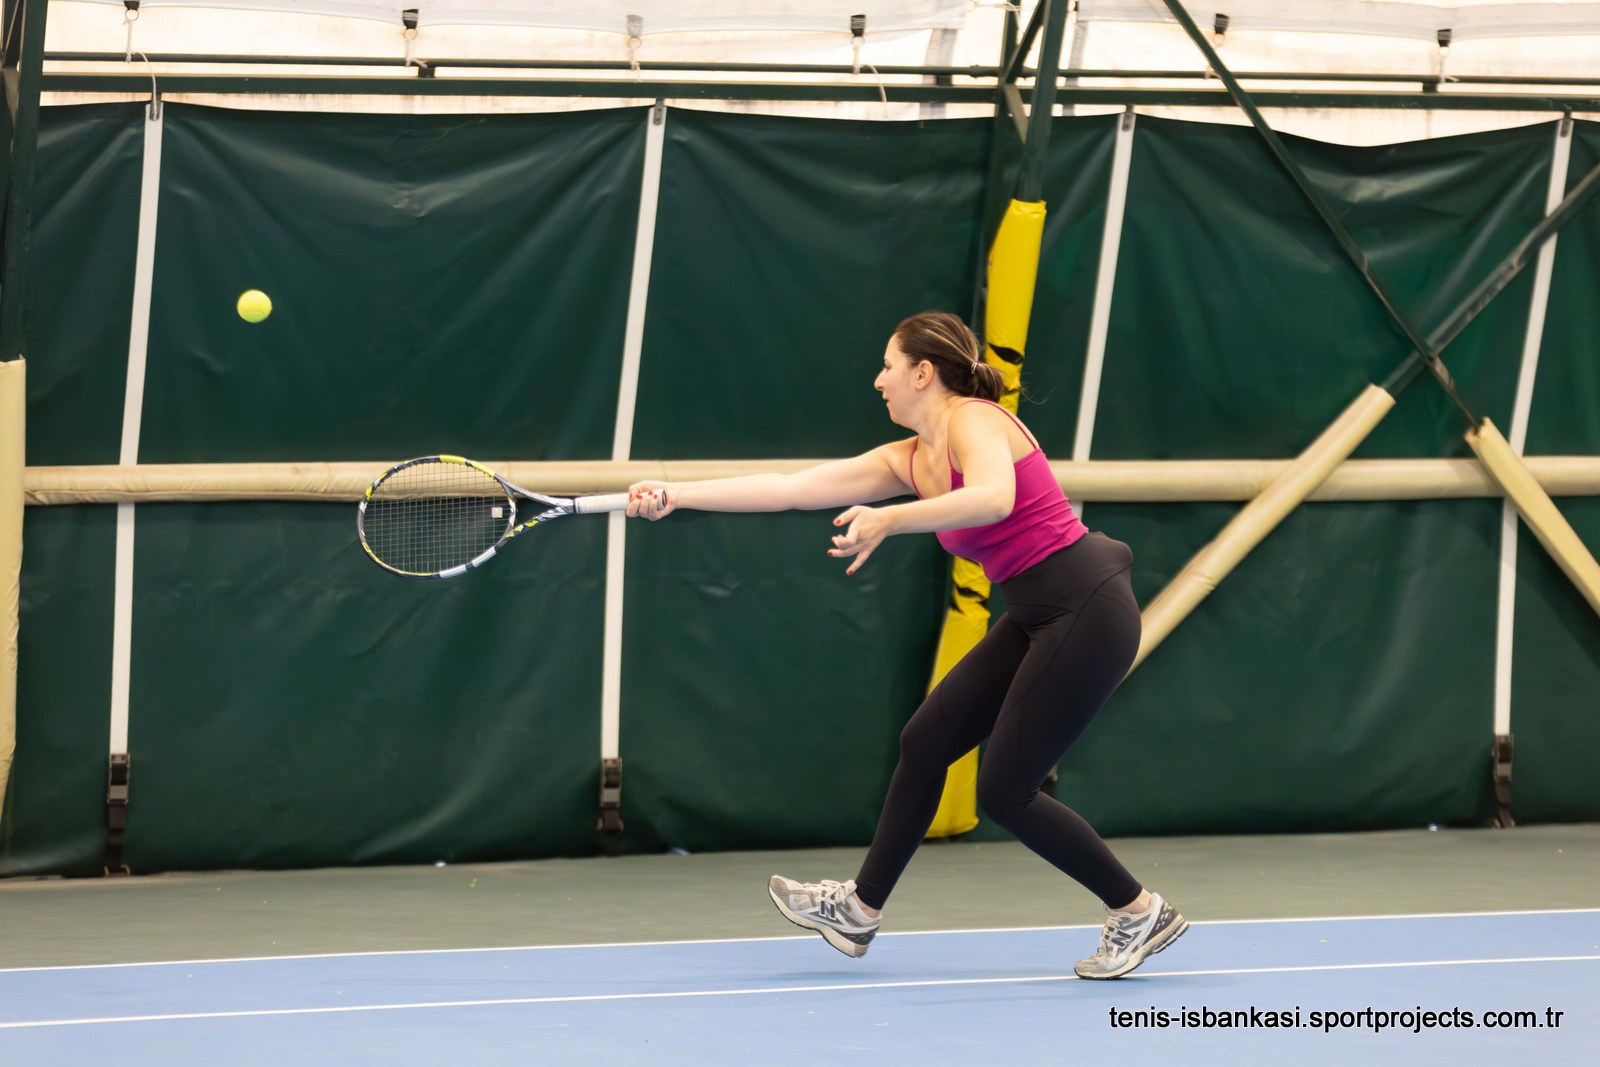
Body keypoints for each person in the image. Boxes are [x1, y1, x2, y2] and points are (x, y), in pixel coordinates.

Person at [625, 311, 1186, 980]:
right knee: (926, 741)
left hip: (1086, 607)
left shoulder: (976, 421)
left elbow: (993, 497)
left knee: (1005, 792)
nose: (878, 380)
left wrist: (890, 519)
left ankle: (1137, 909)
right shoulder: (909, 459)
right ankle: (859, 910)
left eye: (888, 366)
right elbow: (792, 489)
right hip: (1037, 610)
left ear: (923, 373)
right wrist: (677, 494)